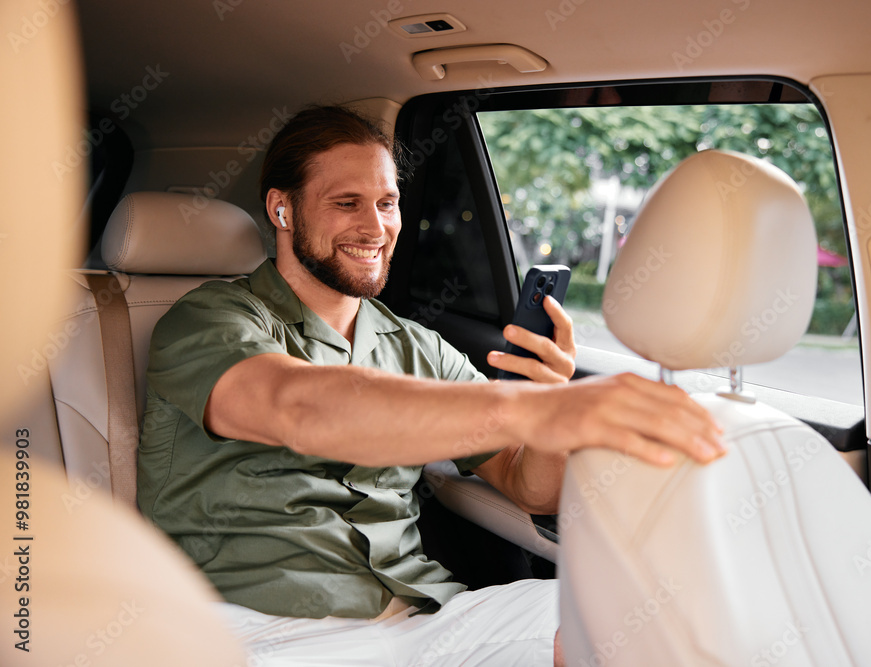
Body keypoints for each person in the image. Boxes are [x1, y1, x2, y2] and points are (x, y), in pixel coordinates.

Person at [136, 105, 726, 666]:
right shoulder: (211, 320)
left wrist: (547, 403)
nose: (376, 227)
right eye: (347, 203)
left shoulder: (418, 347)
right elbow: (298, 408)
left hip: (426, 620)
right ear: (283, 210)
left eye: (387, 203)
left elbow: (530, 488)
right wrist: (523, 408)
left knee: (653, 622)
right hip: (263, 628)